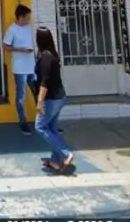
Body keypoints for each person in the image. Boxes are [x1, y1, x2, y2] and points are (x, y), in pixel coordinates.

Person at [34, 26, 73, 172]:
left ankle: (65, 153)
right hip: (60, 97)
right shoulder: (53, 55)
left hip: (50, 99)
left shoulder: (45, 57)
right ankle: (55, 162)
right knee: (52, 128)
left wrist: (39, 102)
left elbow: (45, 82)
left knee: (40, 127)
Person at [3, 4, 36, 134]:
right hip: (19, 68)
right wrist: (20, 50)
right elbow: (6, 47)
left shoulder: (28, 27)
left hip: (31, 67)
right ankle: (23, 121)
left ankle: (44, 120)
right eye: (27, 17)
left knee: (38, 93)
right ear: (20, 17)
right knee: (21, 96)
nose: (28, 20)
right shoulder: (12, 30)